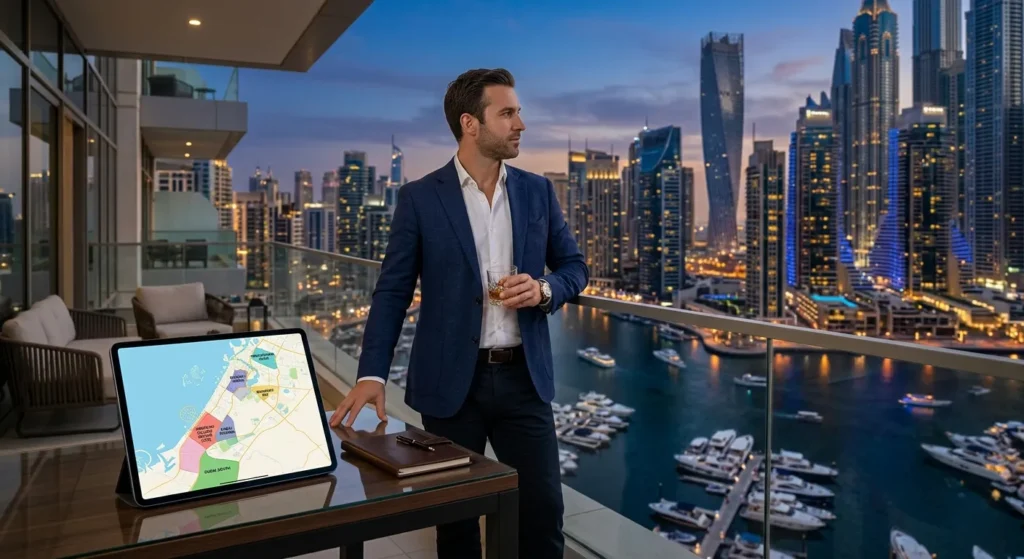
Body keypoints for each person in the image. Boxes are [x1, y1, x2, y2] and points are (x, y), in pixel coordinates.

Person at [329, 68, 588, 559]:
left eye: (519, 112)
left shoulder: (537, 191)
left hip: (525, 385)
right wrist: (372, 375)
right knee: (456, 526)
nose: (521, 124)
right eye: (508, 113)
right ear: (471, 124)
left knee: (541, 516)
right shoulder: (421, 198)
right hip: (451, 388)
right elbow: (392, 292)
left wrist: (544, 288)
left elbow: (575, 267)